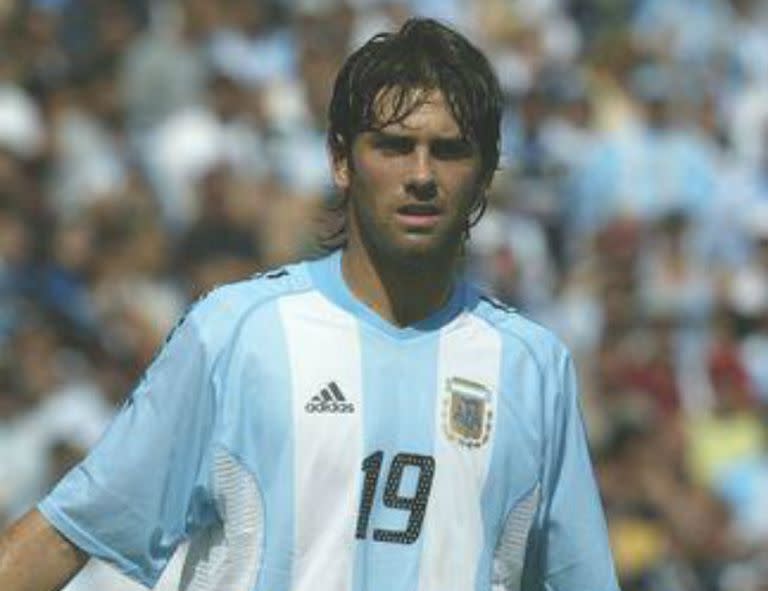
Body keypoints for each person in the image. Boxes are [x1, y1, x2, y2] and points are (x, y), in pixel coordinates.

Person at [0, 18, 619, 591]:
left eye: (450, 150)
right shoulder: (237, 333)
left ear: (484, 175)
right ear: (341, 161)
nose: (422, 173)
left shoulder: (534, 369)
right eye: (394, 146)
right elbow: (69, 532)